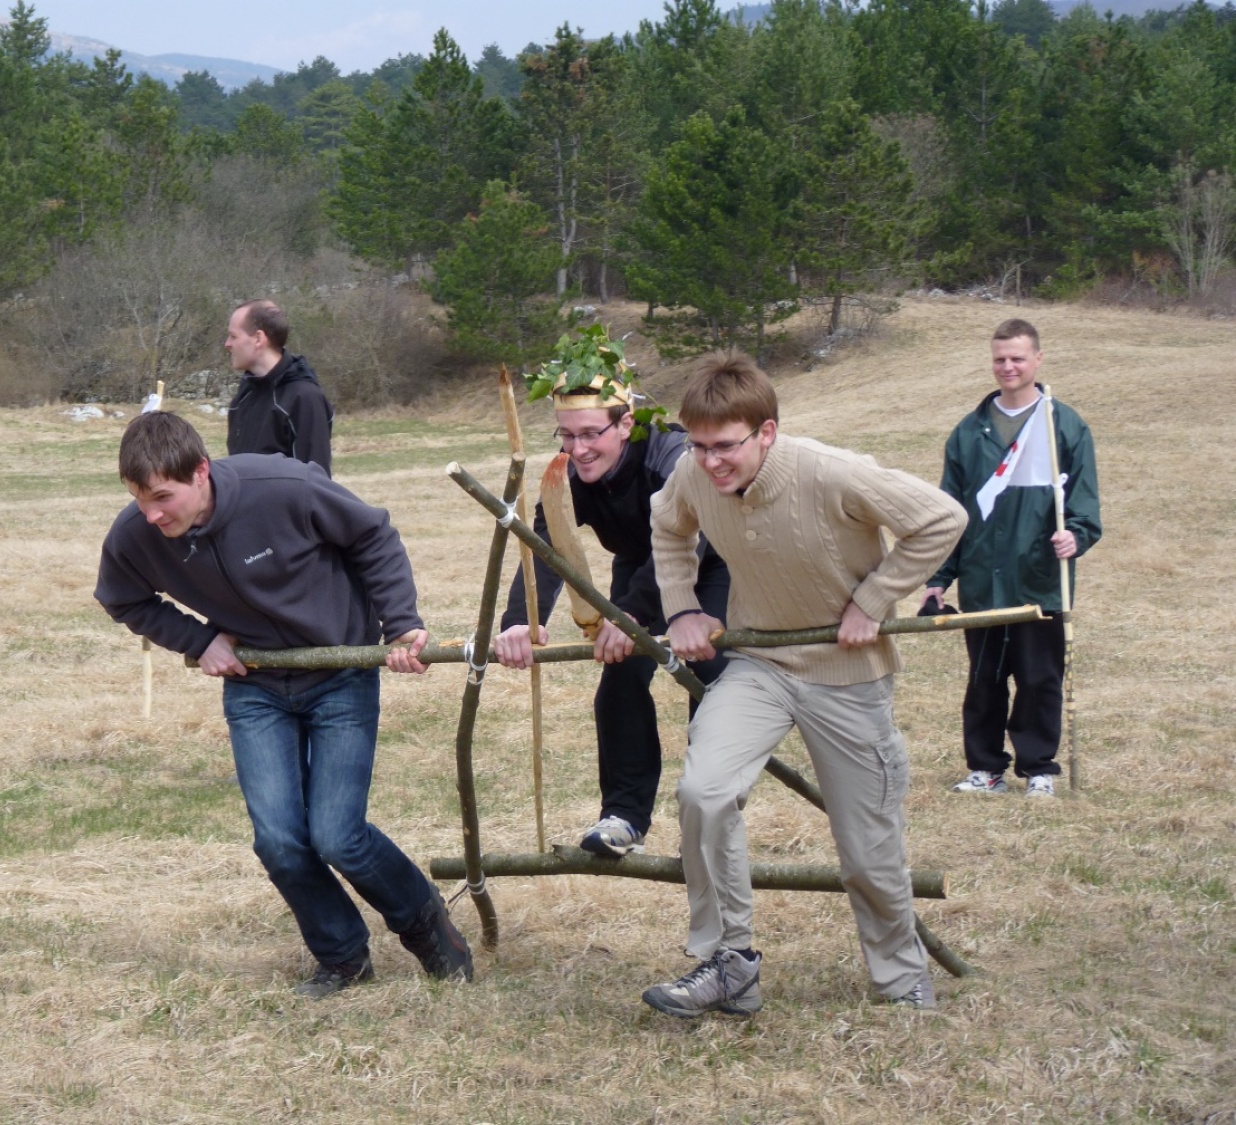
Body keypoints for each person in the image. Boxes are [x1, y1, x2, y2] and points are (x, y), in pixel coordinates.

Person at [95, 412, 472, 997]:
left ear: (201, 473)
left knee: (337, 835)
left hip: (339, 672)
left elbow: (373, 534)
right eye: (139, 499)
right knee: (277, 839)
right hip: (256, 688)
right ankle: (343, 959)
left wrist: (401, 624)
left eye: (163, 498)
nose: (151, 514)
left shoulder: (283, 489)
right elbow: (122, 599)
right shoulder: (136, 535)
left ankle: (428, 928)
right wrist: (199, 640)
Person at [644, 351, 967, 1018]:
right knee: (704, 792)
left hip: (848, 677)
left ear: (767, 433)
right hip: (762, 664)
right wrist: (681, 606)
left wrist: (874, 600)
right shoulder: (693, 472)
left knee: (867, 848)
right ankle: (730, 964)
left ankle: (902, 980)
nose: (710, 462)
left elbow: (941, 518)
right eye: (699, 446)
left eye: (726, 446)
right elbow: (668, 525)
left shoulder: (833, 471)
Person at [495, 373, 729, 858]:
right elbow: (546, 545)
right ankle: (623, 817)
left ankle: (709, 816)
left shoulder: (672, 456)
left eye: (589, 434)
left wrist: (632, 615)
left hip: (710, 562)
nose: (576, 449)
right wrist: (522, 618)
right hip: (638, 564)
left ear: (625, 424)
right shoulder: (570, 474)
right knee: (618, 681)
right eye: (566, 434)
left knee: (711, 677)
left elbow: (690, 538)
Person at [923, 319, 1101, 799]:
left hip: (1040, 580)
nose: (1008, 366)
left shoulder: (1062, 424)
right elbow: (951, 513)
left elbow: (1084, 503)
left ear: (1037, 360)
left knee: (1040, 678)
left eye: (1018, 358)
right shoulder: (968, 432)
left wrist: (1076, 537)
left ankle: (1038, 767)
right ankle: (985, 769)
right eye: (1000, 358)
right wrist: (939, 579)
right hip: (983, 583)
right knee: (984, 679)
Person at [224, 299, 335, 473]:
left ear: (258, 339)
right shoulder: (245, 394)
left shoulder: (305, 398)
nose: (227, 344)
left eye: (233, 336)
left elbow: (315, 484)